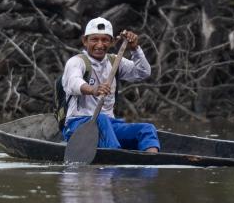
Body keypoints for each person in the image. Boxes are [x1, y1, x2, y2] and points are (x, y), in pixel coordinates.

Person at [61, 17, 160, 153]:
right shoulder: (76, 62)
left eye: (105, 40)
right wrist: (93, 89)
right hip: (77, 125)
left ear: (112, 42)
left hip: (109, 124)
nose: (100, 45)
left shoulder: (115, 61)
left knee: (147, 129)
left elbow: (143, 72)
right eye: (94, 39)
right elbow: (73, 82)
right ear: (85, 41)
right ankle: (115, 157)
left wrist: (135, 49)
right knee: (102, 120)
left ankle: (151, 161)